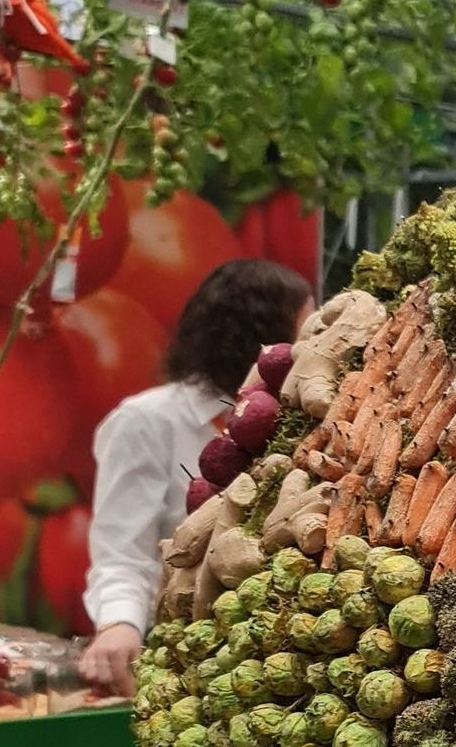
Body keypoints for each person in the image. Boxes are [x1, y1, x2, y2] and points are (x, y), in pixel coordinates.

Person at [78, 257, 312, 697]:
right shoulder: (146, 421)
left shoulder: (297, 425)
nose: (311, 346)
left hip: (276, 655)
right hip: (181, 657)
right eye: (305, 327)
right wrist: (120, 625)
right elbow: (122, 553)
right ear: (264, 338)